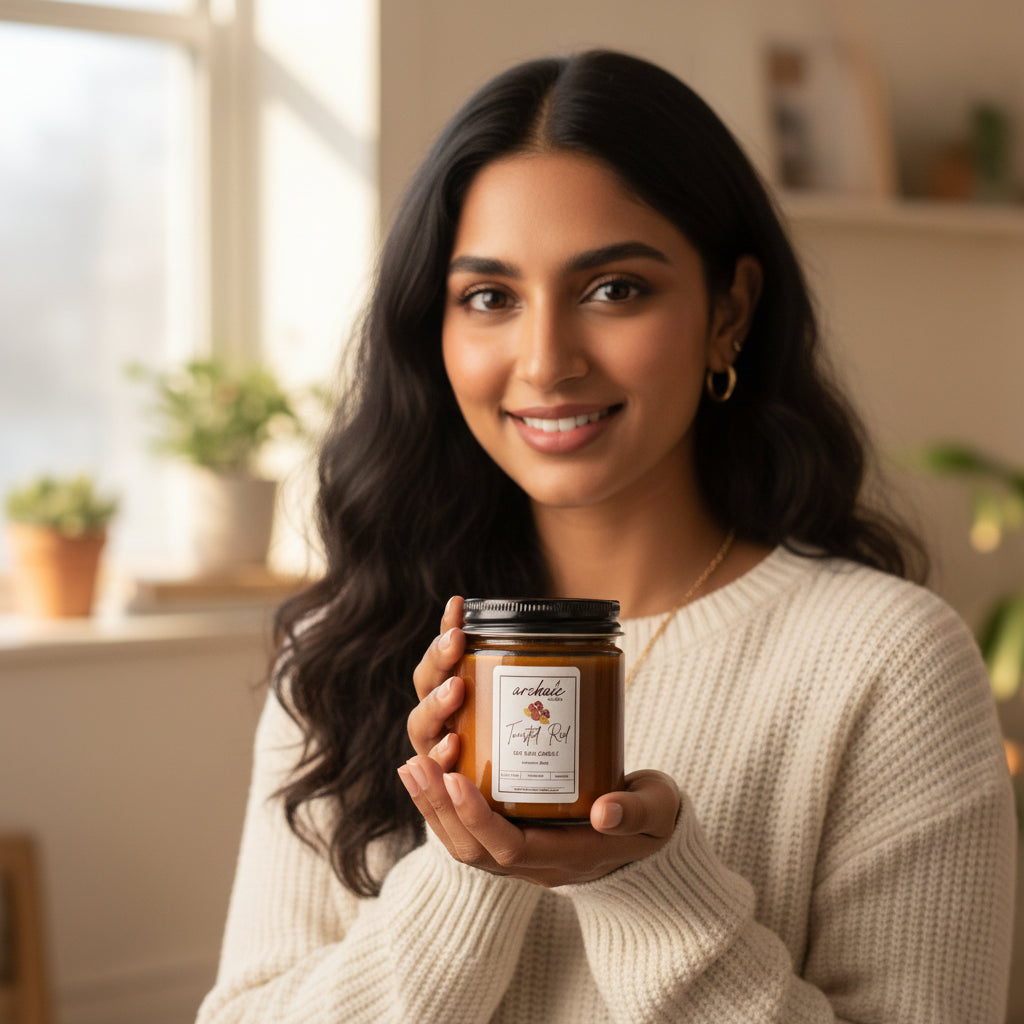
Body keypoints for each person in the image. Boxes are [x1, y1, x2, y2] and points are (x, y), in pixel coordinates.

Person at [196, 50, 1015, 1023]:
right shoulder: (349, 642)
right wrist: (473, 862)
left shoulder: (888, 661)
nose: (545, 362)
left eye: (614, 288)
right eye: (489, 298)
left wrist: (644, 879)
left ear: (730, 311)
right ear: (436, 329)